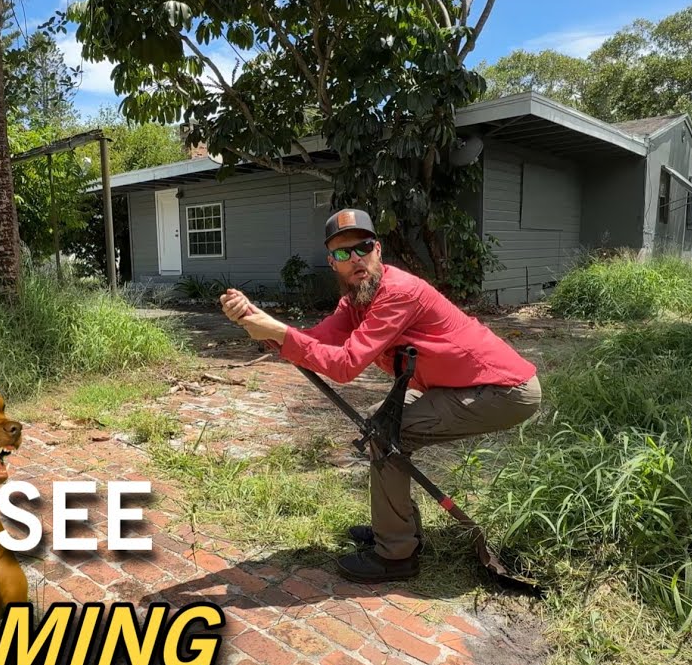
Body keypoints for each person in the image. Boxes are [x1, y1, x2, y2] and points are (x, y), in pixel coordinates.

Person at [219, 208, 541, 584]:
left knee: (388, 434)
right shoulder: (354, 302)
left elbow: (345, 365)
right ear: (332, 263)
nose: (356, 258)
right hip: (460, 385)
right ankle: (399, 530)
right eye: (343, 253)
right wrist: (257, 319)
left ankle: (397, 556)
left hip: (504, 390)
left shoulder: (398, 292)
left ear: (378, 250)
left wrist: (276, 331)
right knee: (381, 426)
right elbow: (315, 341)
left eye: (364, 247)